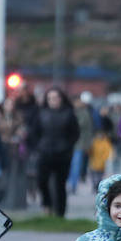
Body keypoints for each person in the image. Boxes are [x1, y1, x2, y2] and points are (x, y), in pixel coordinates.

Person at [35, 86, 79, 217]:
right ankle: (46, 205)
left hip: (62, 154)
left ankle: (60, 212)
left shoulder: (69, 114)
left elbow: (75, 134)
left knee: (60, 185)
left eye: (55, 98)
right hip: (44, 152)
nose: (53, 101)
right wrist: (39, 146)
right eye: (50, 98)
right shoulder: (42, 113)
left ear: (61, 99)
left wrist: (67, 147)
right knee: (41, 181)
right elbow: (35, 132)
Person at [69, 91, 98, 194]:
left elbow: (87, 129)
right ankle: (71, 184)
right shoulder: (71, 111)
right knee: (72, 165)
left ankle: (73, 185)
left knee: (76, 165)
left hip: (80, 143)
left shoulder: (84, 112)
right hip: (71, 143)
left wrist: (88, 144)